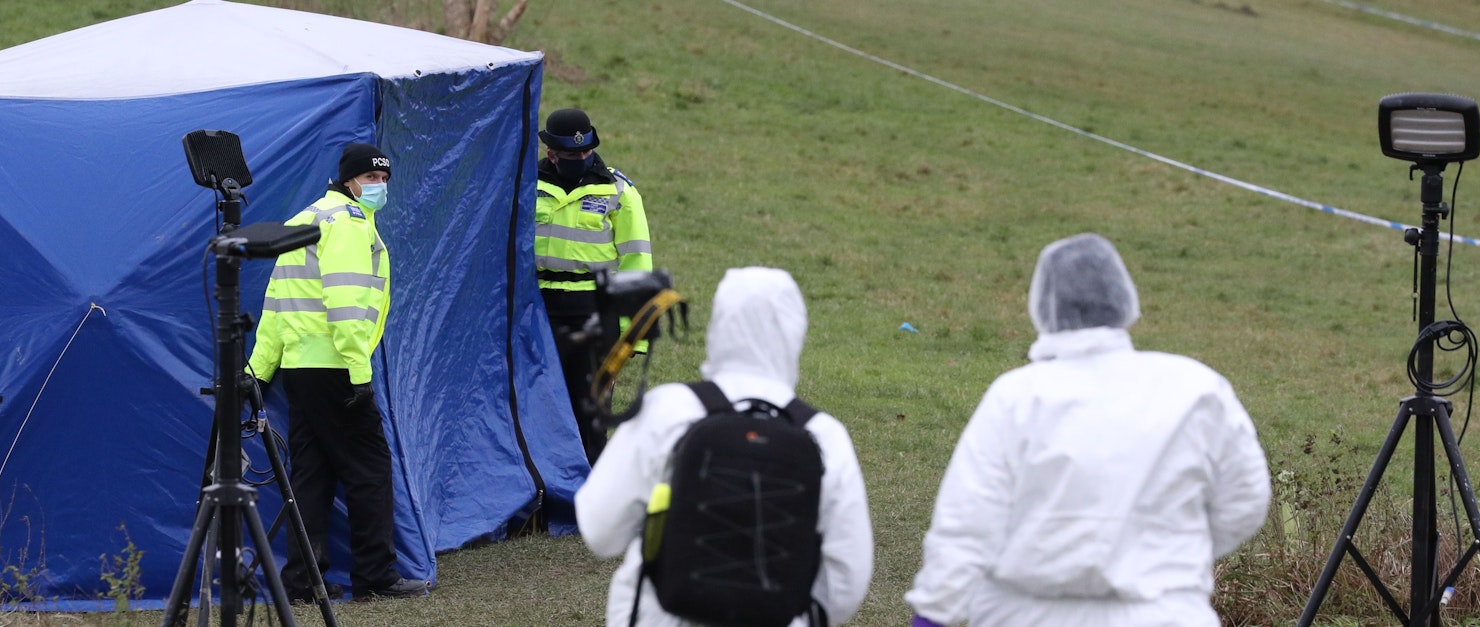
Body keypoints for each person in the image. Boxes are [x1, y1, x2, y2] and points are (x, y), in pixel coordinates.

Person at [904, 233, 1271, 626]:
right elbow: (1245, 499)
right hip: (1165, 612)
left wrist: (933, 615)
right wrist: (1173, 551)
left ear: (1043, 305)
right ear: (1124, 297)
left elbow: (968, 520)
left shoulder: (1016, 397)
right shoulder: (1195, 388)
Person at [575, 267, 874, 627]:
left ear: (718, 326)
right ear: (796, 332)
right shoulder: (825, 435)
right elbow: (846, 582)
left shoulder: (668, 409)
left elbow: (600, 531)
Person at [248, 142, 428, 602]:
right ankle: (376, 575)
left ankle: (302, 582)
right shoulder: (347, 225)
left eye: (385, 179)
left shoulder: (307, 219)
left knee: (311, 475)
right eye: (371, 179)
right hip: (335, 366)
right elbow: (346, 304)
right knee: (369, 468)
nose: (379, 187)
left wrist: (259, 370)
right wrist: (358, 372)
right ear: (348, 181)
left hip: (299, 368)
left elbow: (278, 305)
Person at [535, 107, 654, 465]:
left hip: (594, 314)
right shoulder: (526, 184)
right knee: (538, 407)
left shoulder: (619, 191)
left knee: (591, 411)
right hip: (539, 310)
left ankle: (588, 503)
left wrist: (635, 335)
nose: (581, 158)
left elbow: (637, 264)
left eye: (586, 151)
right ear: (551, 152)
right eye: (571, 154)